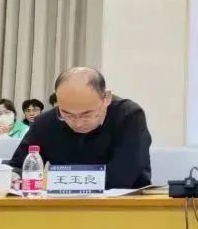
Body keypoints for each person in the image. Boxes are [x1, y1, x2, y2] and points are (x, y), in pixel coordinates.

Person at [9, 67, 152, 189]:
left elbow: (122, 177)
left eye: (87, 114)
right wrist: (12, 177)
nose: (78, 123)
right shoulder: (46, 122)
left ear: (106, 98)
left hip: (125, 204)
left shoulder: (128, 116)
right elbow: (18, 165)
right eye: (67, 114)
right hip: (63, 205)